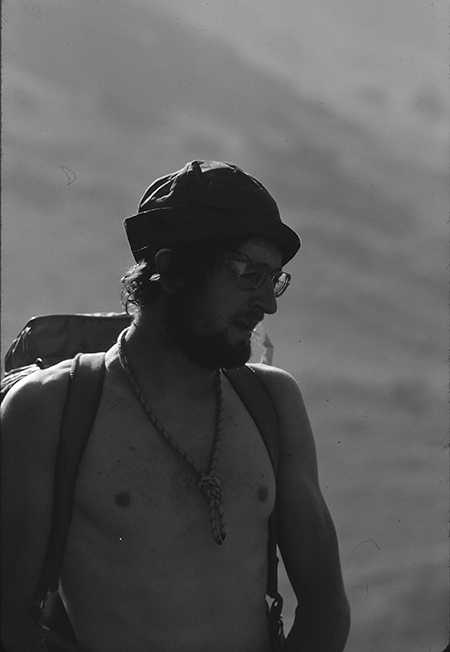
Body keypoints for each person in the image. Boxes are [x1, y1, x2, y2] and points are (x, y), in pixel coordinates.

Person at [1, 160, 350, 652]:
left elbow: (325, 606)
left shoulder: (274, 401)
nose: (268, 304)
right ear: (170, 270)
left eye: (274, 279)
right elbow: (8, 620)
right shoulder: (48, 408)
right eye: (248, 273)